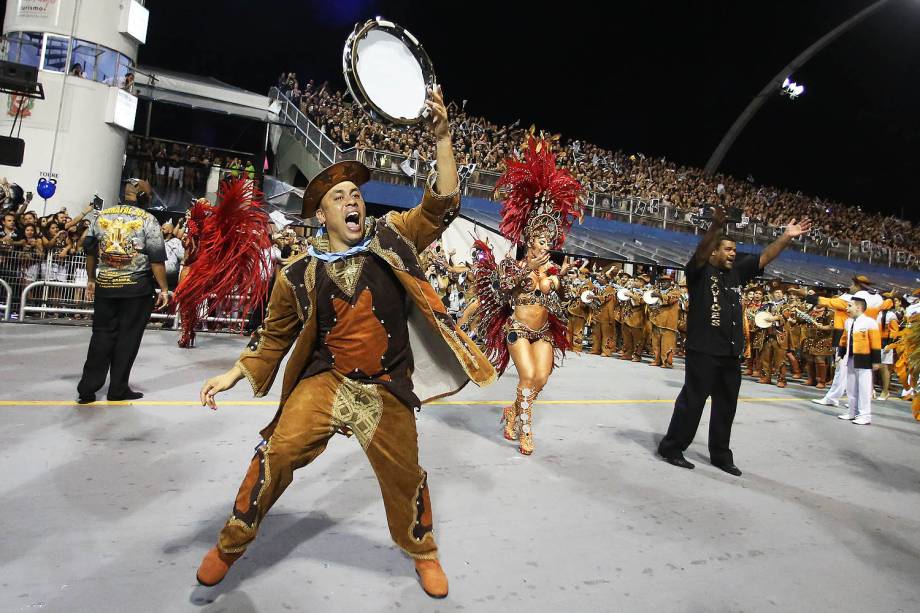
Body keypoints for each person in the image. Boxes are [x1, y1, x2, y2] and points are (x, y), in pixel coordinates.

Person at [193, 86, 496, 599]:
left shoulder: (393, 238)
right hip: (327, 382)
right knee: (276, 454)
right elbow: (273, 338)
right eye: (339, 196)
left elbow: (441, 204)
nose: (352, 199)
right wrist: (233, 372)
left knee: (405, 478)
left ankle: (422, 552)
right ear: (322, 216)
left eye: (355, 193)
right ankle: (229, 544)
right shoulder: (297, 274)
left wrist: (442, 137)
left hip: (386, 389)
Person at [657, 206, 811, 475]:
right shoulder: (698, 272)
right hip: (703, 351)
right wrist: (715, 228)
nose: (733, 253)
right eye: (727, 249)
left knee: (726, 407)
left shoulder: (737, 272)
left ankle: (720, 455)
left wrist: (786, 236)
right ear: (714, 252)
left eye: (734, 249)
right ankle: (672, 447)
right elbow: (700, 253)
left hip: (730, 354)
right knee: (692, 402)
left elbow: (764, 257)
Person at [469, 132, 582, 456]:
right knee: (528, 375)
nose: (546, 247)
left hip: (543, 332)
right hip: (517, 330)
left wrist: (567, 282)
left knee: (541, 380)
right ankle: (524, 431)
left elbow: (565, 304)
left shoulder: (553, 271)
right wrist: (526, 268)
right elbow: (502, 291)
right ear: (530, 240)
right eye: (541, 242)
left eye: (549, 243)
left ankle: (512, 411)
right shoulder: (512, 265)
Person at [76, 180, 169, 403]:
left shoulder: (103, 215)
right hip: (136, 289)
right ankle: (117, 389)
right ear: (144, 198)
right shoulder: (148, 219)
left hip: (106, 286)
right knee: (128, 338)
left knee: (101, 336)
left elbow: (89, 250)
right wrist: (164, 288)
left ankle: (87, 389)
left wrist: (91, 278)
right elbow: (156, 259)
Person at [836, 293, 881, 425]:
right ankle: (852, 412)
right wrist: (840, 354)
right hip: (851, 359)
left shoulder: (870, 323)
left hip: (865, 360)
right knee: (851, 388)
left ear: (859, 308)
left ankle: (865, 415)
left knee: (864, 388)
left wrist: (876, 361)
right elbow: (844, 340)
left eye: (849, 306)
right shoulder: (848, 322)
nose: (847, 309)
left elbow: (875, 343)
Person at [648, 273, 681, 368]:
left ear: (670, 283)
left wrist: (659, 296)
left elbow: (670, 300)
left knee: (667, 343)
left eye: (665, 282)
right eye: (661, 282)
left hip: (668, 323)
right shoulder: (656, 291)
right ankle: (656, 360)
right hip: (656, 321)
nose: (662, 284)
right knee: (655, 343)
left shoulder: (675, 292)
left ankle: (666, 362)